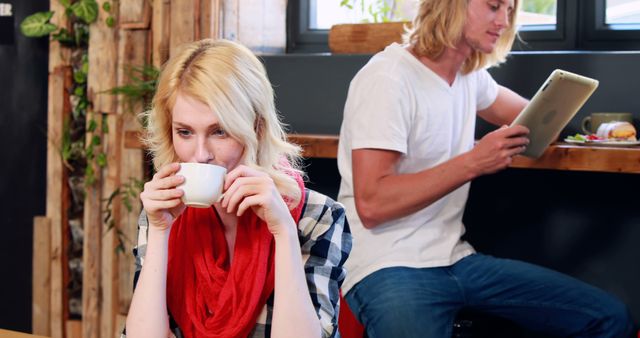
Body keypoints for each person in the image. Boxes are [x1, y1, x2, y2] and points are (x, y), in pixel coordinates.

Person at [337, 0, 635, 337]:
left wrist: (602, 129)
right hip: (385, 264)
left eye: (509, 11)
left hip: (455, 259)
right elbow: (373, 204)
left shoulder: (470, 78)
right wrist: (474, 161)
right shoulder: (388, 78)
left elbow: (536, 118)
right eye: (494, 6)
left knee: (609, 318)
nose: (504, 21)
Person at [124, 39, 352, 338]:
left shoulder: (318, 216)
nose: (201, 153)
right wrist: (159, 231)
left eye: (220, 131)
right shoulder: (163, 213)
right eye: (185, 132)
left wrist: (283, 232)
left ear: (256, 128)